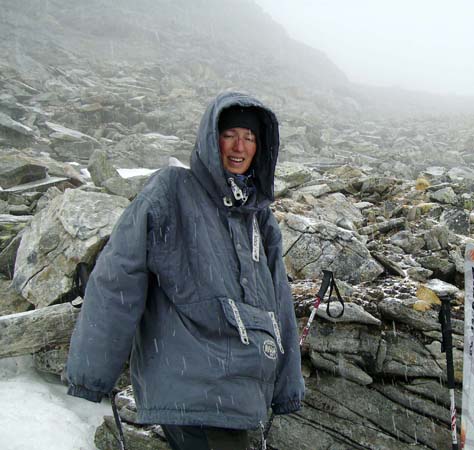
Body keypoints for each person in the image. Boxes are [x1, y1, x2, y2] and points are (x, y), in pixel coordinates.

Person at [65, 91, 305, 450]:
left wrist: (286, 388)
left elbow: (279, 304)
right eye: (230, 135)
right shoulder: (172, 191)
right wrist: (92, 373)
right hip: (194, 386)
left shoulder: (259, 218)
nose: (240, 146)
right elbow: (118, 278)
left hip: (239, 393)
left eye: (251, 137)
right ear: (212, 139)